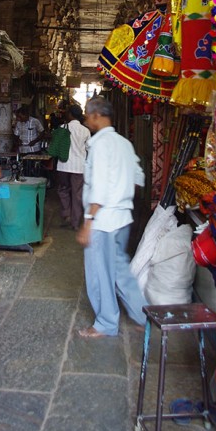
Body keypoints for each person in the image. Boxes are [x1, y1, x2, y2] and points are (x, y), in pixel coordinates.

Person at [76, 96, 147, 338]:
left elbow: (100, 187)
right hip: (123, 218)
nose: (86, 119)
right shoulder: (124, 144)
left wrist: (88, 222)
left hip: (103, 221)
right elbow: (138, 177)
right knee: (119, 269)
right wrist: (122, 195)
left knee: (99, 273)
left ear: (97, 116)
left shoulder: (100, 144)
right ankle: (142, 315)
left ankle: (105, 323)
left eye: (87, 114)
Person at [57, 103, 90, 230]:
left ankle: (67, 214)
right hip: (79, 167)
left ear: (70, 114)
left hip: (63, 166)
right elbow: (89, 148)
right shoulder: (85, 130)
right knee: (77, 194)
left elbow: (57, 146)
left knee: (63, 190)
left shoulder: (62, 127)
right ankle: (76, 223)